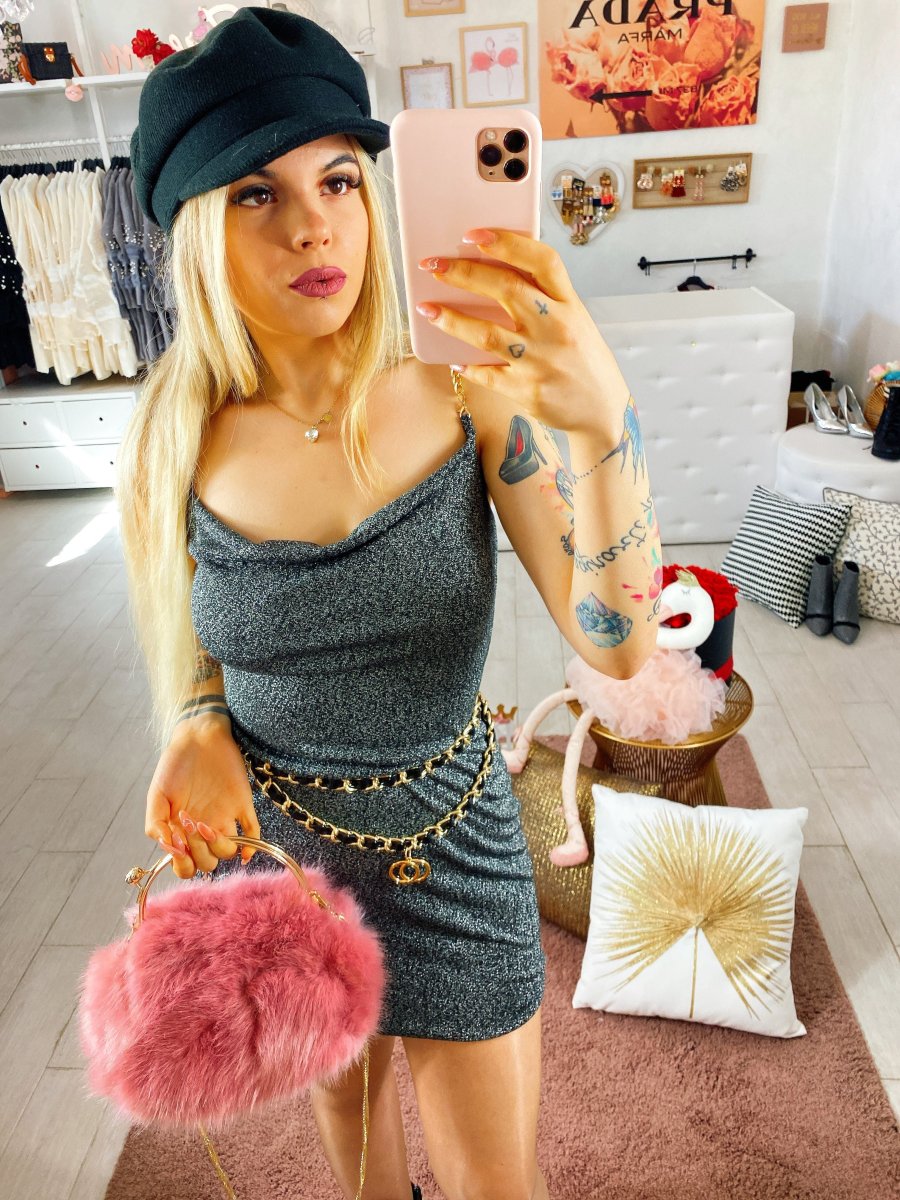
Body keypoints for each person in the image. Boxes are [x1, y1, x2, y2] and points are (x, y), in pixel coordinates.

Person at [116, 8, 660, 1200]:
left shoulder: (467, 389)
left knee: (495, 1187)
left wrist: (601, 423)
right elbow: (184, 628)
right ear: (196, 230)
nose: (313, 224)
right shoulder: (171, 436)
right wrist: (195, 722)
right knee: (358, 1162)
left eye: (338, 179)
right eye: (255, 194)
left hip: (453, 842)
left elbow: (616, 649)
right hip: (283, 865)